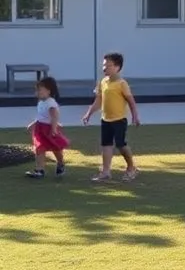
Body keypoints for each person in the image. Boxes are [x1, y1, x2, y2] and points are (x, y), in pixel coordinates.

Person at [82, 52, 141, 183]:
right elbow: (98, 101)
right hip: (105, 119)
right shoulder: (103, 82)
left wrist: (135, 116)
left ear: (117, 67)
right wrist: (88, 114)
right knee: (106, 145)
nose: (104, 68)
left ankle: (131, 167)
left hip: (119, 120)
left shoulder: (122, 84)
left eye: (108, 66)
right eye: (104, 65)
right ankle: (105, 171)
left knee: (121, 144)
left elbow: (131, 101)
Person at [25, 77, 70, 179]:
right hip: (40, 129)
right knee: (39, 148)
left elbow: (54, 116)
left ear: (49, 91)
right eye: (37, 90)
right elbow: (41, 116)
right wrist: (33, 123)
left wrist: (54, 128)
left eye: (40, 90)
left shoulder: (51, 103)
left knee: (56, 148)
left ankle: (60, 163)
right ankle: (39, 170)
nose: (37, 92)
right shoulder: (41, 102)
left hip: (49, 129)